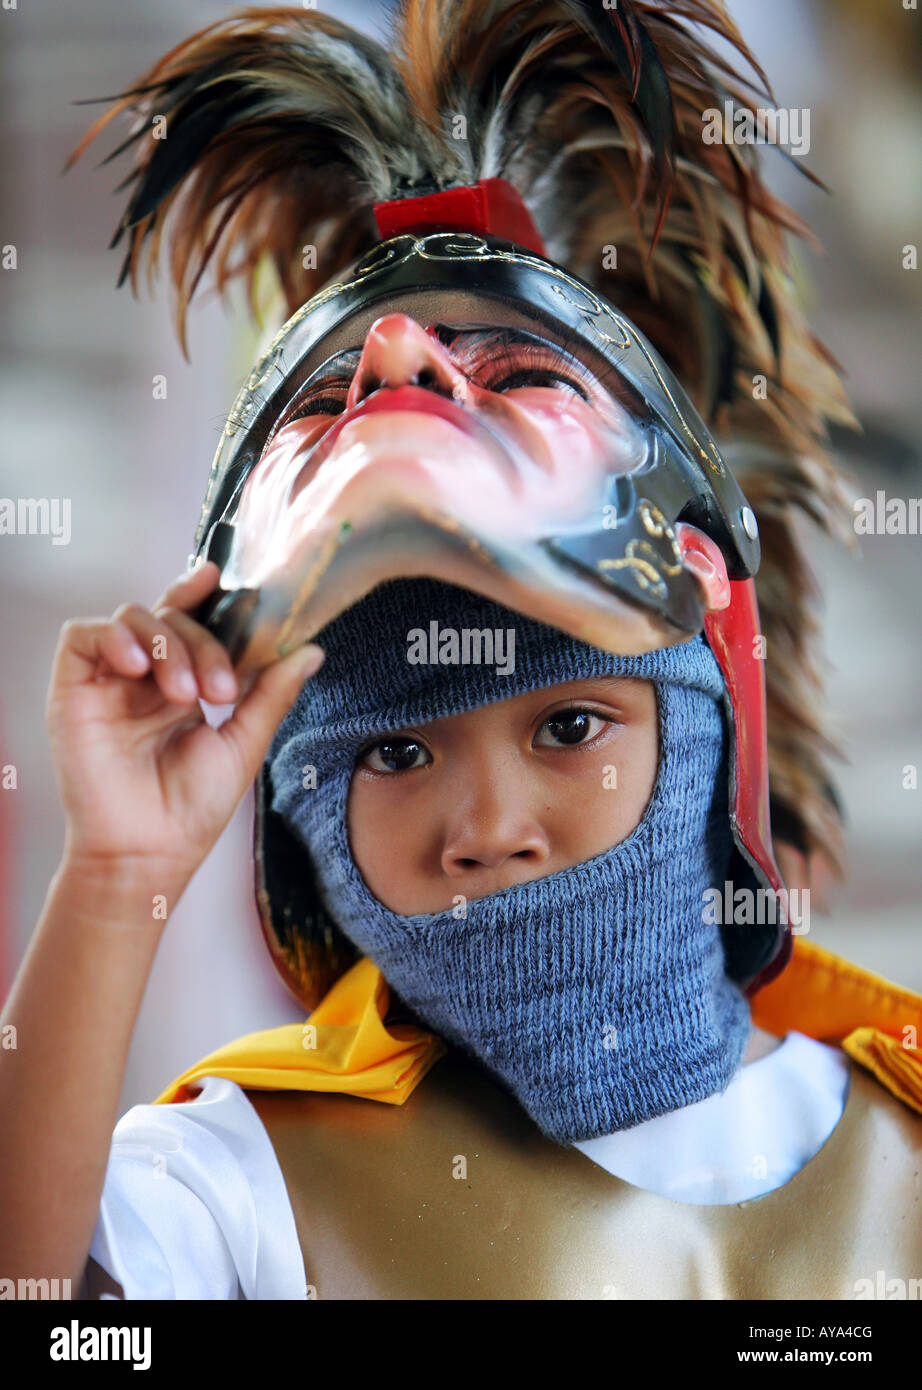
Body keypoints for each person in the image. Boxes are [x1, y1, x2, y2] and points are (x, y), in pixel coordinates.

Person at [1, 0, 919, 1302]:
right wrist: (115, 872)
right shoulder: (239, 1178)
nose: (485, 824)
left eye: (567, 727)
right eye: (392, 747)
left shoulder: (903, 1125)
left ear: (711, 705)